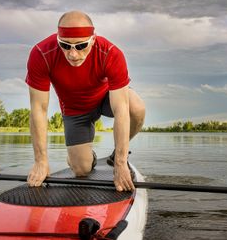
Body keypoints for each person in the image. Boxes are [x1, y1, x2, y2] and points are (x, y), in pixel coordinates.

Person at [25, 10, 145, 191]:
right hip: (75, 110)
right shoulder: (41, 53)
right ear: (58, 39)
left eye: (80, 46)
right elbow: (38, 109)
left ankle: (115, 155)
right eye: (65, 45)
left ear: (93, 40)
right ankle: (87, 156)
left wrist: (120, 164)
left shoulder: (111, 53)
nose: (72, 54)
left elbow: (121, 108)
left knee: (136, 107)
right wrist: (41, 162)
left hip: (106, 99)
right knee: (81, 169)